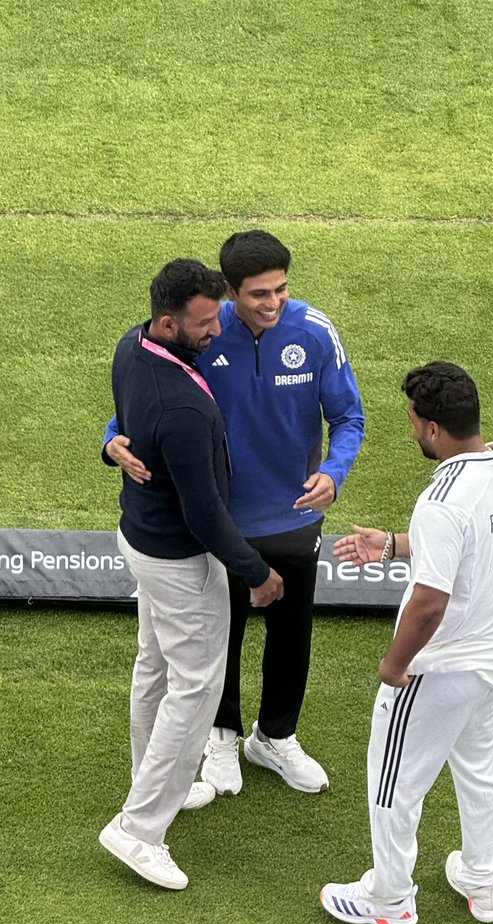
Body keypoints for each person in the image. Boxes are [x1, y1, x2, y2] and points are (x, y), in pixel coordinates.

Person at [103, 230, 365, 798]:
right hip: (220, 523)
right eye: (258, 294)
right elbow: (144, 395)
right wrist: (112, 438)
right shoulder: (203, 331)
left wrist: (334, 474)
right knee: (224, 635)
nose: (271, 304)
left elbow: (350, 418)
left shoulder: (316, 334)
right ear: (231, 291)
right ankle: (221, 738)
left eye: (281, 290)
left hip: (296, 517)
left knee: (292, 632)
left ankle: (275, 737)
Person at [320, 361, 493, 924]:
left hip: (441, 666)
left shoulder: (441, 498)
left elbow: (431, 601)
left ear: (432, 426)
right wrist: (393, 545)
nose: (412, 429)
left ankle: (389, 899)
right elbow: (471, 549)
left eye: (413, 420)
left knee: (393, 782)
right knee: (480, 765)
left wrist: (395, 665)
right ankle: (485, 883)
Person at [98, 259, 283, 891]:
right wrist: (256, 572)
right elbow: (203, 513)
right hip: (178, 559)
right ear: (170, 321)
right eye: (205, 324)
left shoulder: (133, 342)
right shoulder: (180, 406)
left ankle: (153, 789)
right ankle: (140, 828)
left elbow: (125, 418)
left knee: (155, 665)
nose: (216, 331)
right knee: (197, 686)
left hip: (140, 541)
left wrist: (111, 440)